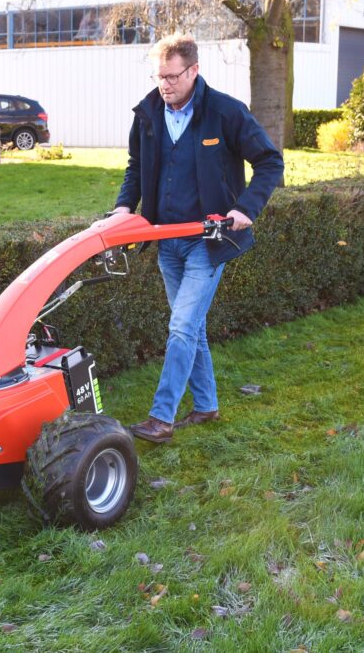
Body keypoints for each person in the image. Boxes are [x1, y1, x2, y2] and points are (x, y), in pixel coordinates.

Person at [110, 33, 284, 444]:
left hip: (208, 242)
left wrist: (246, 208)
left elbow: (269, 161)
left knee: (182, 326)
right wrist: (124, 206)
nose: (165, 85)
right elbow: (136, 167)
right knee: (191, 328)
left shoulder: (225, 112)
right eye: (159, 77)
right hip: (166, 241)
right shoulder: (148, 114)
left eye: (172, 77)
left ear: (193, 71)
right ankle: (206, 405)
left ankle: (161, 418)